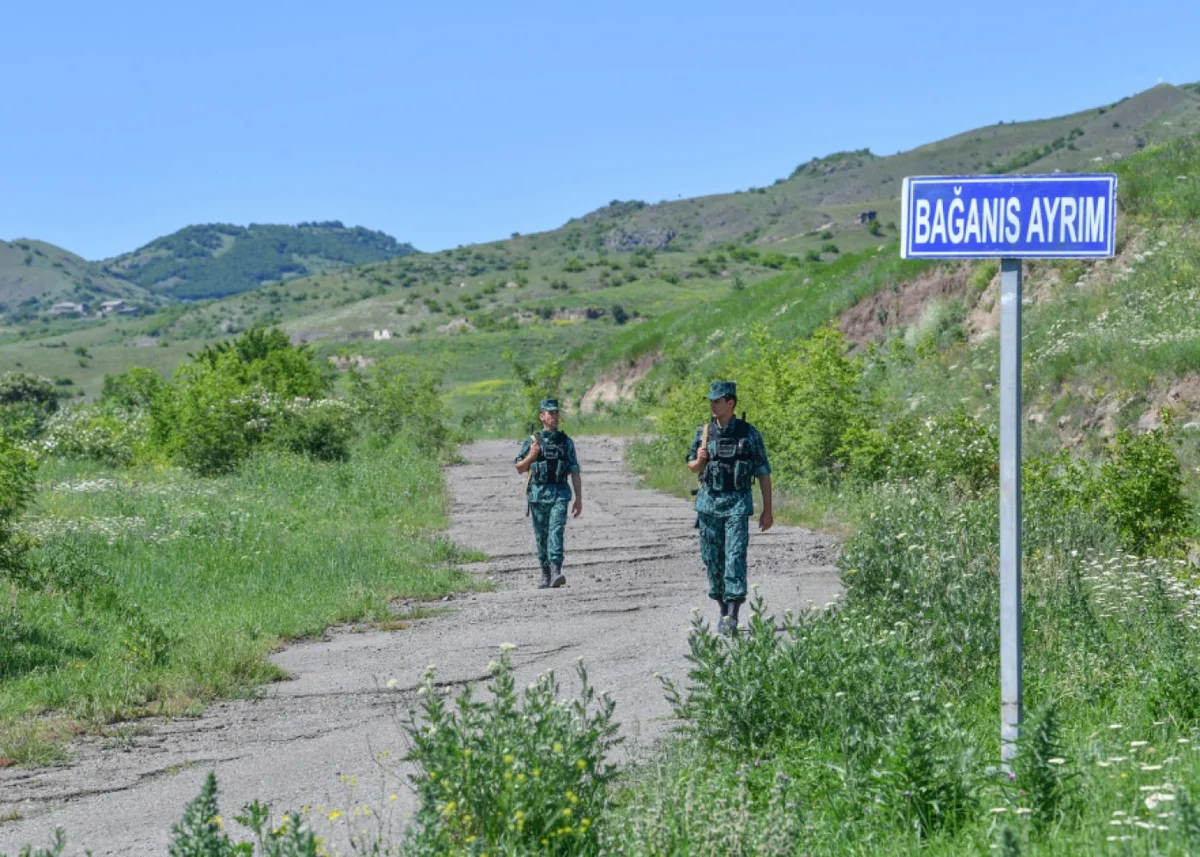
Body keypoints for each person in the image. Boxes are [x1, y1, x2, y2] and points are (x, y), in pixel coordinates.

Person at [686, 381, 773, 634]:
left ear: (730, 403)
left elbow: (764, 473)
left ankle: (733, 614)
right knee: (712, 560)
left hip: (737, 503)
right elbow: (692, 467)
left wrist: (768, 510)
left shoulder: (749, 434)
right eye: (711, 401)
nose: (712, 405)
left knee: (734, 557)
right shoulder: (703, 433)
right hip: (708, 505)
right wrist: (699, 461)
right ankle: (722, 608)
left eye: (717, 401)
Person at [514, 398, 582, 588]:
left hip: (560, 493)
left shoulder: (566, 442)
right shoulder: (532, 441)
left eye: (556, 413)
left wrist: (579, 499)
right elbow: (519, 467)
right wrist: (531, 455)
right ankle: (545, 572)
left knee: (556, 530)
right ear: (542, 416)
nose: (554, 416)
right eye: (550, 413)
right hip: (538, 495)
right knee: (541, 536)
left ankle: (555, 570)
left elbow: (574, 471)